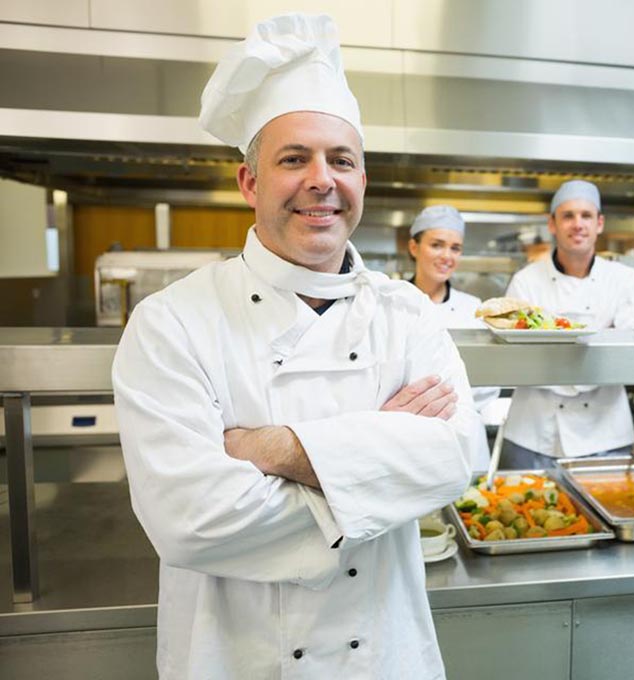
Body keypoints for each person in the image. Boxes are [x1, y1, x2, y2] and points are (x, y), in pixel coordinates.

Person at [111, 14, 476, 679]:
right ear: (250, 183)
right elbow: (190, 520)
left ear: (363, 180)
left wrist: (271, 450)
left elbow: (455, 456)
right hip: (237, 661)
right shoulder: (172, 322)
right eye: (293, 158)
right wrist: (382, 457)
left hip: (383, 659)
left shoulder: (407, 314)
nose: (322, 179)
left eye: (342, 160)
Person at [500, 179, 634, 468]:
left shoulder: (624, 280)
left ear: (599, 223)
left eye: (586, 216)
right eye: (568, 216)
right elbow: (516, 358)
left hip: (606, 431)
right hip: (534, 431)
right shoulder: (526, 281)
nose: (577, 224)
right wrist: (605, 336)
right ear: (552, 224)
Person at [409, 204, 497, 469]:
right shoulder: (391, 302)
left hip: (464, 440)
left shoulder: (475, 308)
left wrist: (442, 404)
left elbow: (488, 384)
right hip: (410, 442)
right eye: (436, 245)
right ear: (414, 247)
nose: (447, 256)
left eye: (455, 248)